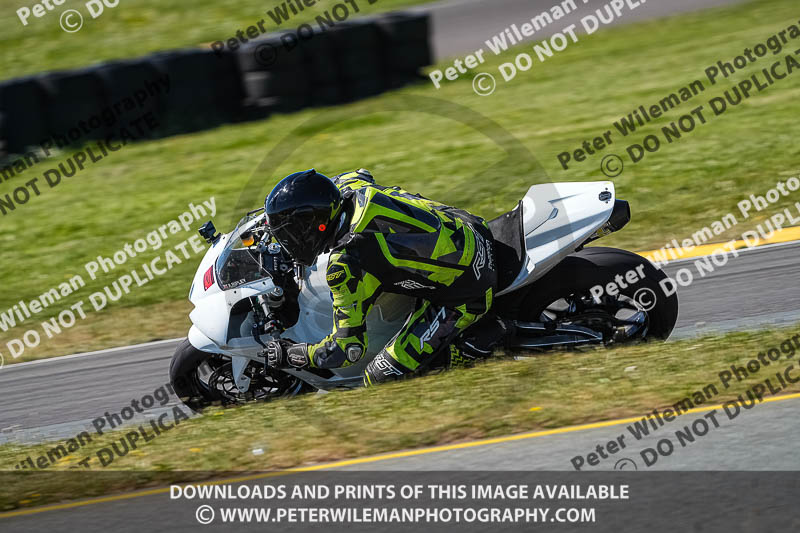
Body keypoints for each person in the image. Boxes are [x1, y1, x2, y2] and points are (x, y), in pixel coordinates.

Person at [263, 168, 504, 385]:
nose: (287, 242)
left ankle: (478, 345)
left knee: (379, 377)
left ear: (313, 225)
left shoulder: (346, 263)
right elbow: (361, 173)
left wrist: (292, 354)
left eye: (290, 235)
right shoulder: (348, 188)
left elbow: (347, 350)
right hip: (468, 226)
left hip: (468, 287)